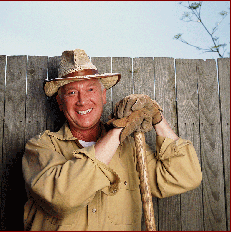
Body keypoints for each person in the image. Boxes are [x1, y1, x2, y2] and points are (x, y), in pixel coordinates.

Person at [22, 49, 202, 231]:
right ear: (60, 103)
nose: (82, 101)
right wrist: (120, 128)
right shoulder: (40, 147)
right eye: (71, 93)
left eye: (90, 89)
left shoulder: (131, 148)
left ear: (103, 96)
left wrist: (157, 118)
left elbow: (185, 177)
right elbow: (63, 197)